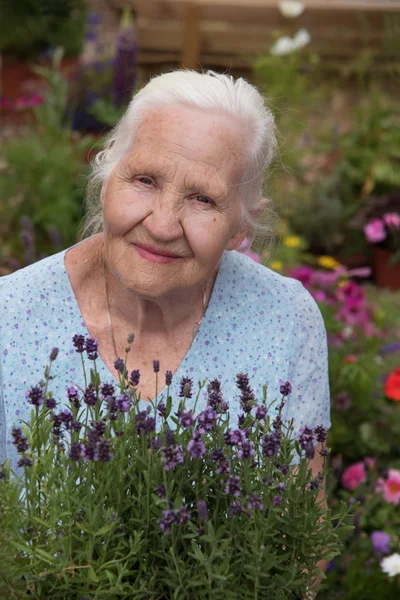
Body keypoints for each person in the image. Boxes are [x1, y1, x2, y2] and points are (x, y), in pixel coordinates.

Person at [0, 70, 330, 486]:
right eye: (144, 181)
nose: (162, 225)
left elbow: (301, 529)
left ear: (240, 228)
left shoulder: (286, 319)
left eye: (203, 199)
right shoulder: (8, 319)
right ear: (105, 181)